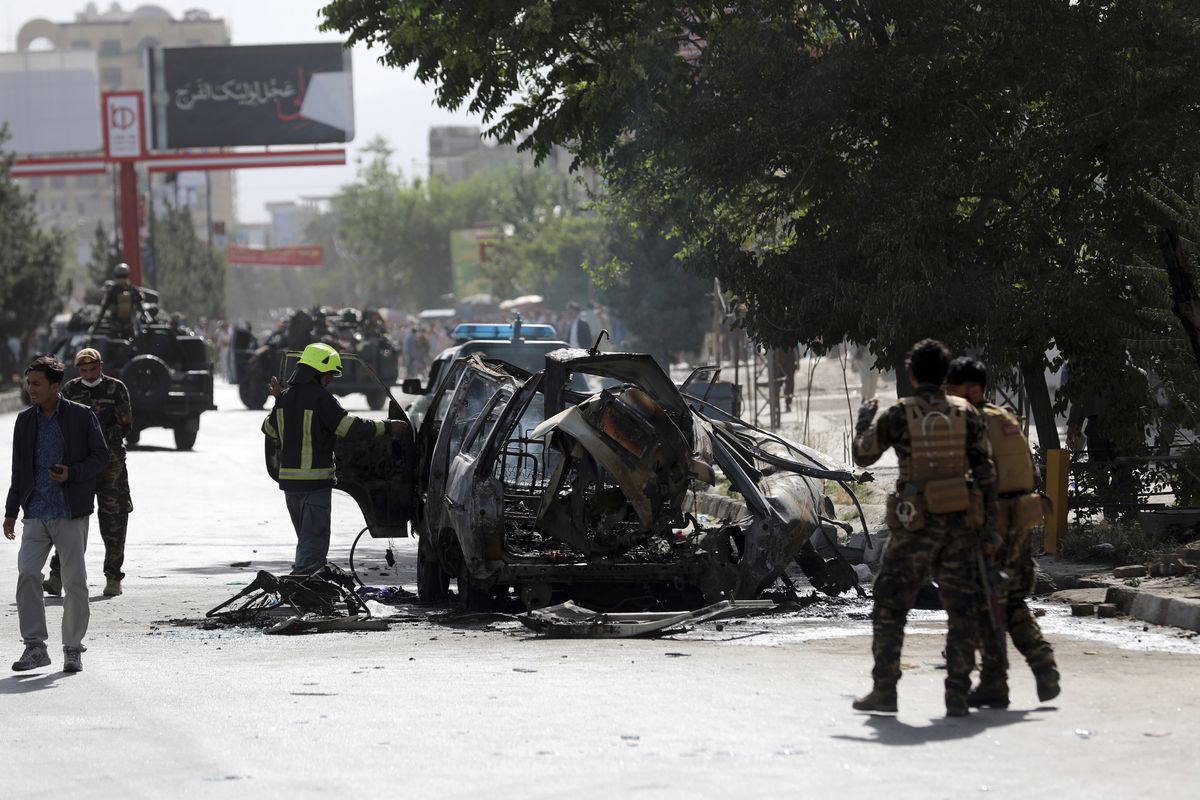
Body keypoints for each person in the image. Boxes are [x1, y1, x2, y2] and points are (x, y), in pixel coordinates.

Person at [851, 339, 998, 717]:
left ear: (913, 376)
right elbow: (986, 473)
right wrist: (988, 530)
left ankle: (885, 690)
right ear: (945, 376)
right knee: (961, 608)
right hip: (961, 523)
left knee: (889, 603)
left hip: (914, 524)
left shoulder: (900, 413)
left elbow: (863, 455)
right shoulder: (967, 413)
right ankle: (958, 695)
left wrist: (863, 422)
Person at [945, 357, 1060, 707]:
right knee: (1009, 601)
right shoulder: (1005, 418)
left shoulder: (969, 423)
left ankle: (994, 682)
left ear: (973, 390)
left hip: (987, 525)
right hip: (1020, 521)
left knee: (982, 604)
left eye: (954, 387)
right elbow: (1029, 472)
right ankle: (1042, 663)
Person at [261, 343, 410, 574]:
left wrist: (280, 401)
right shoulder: (321, 399)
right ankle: (304, 584)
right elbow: (348, 428)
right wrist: (387, 427)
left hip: (290, 486)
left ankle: (311, 580)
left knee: (307, 539)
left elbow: (269, 430)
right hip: (315, 484)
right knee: (314, 540)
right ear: (317, 371)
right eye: (329, 373)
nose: (331, 379)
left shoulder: (283, 399)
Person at [4, 356, 109, 673]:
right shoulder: (25, 421)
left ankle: (73, 649)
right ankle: (35, 647)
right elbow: (19, 470)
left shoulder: (81, 416)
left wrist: (72, 473)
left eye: (36, 384)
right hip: (35, 511)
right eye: (28, 383)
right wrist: (10, 512)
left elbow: (101, 456)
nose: (30, 389)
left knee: (75, 583)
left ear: (54, 386)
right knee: (28, 575)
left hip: (70, 513)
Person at [44, 348, 134, 598]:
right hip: (79, 467)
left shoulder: (116, 389)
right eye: (84, 370)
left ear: (100, 366)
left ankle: (113, 577)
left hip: (110, 466)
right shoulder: (71, 390)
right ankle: (57, 575)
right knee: (69, 522)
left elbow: (125, 425)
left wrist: (95, 439)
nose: (90, 375)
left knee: (114, 522)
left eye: (94, 370)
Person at [93, 263, 146, 339]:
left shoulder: (112, 290)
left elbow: (104, 308)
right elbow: (140, 304)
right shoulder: (133, 289)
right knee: (133, 342)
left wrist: (96, 324)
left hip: (114, 325)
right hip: (129, 324)